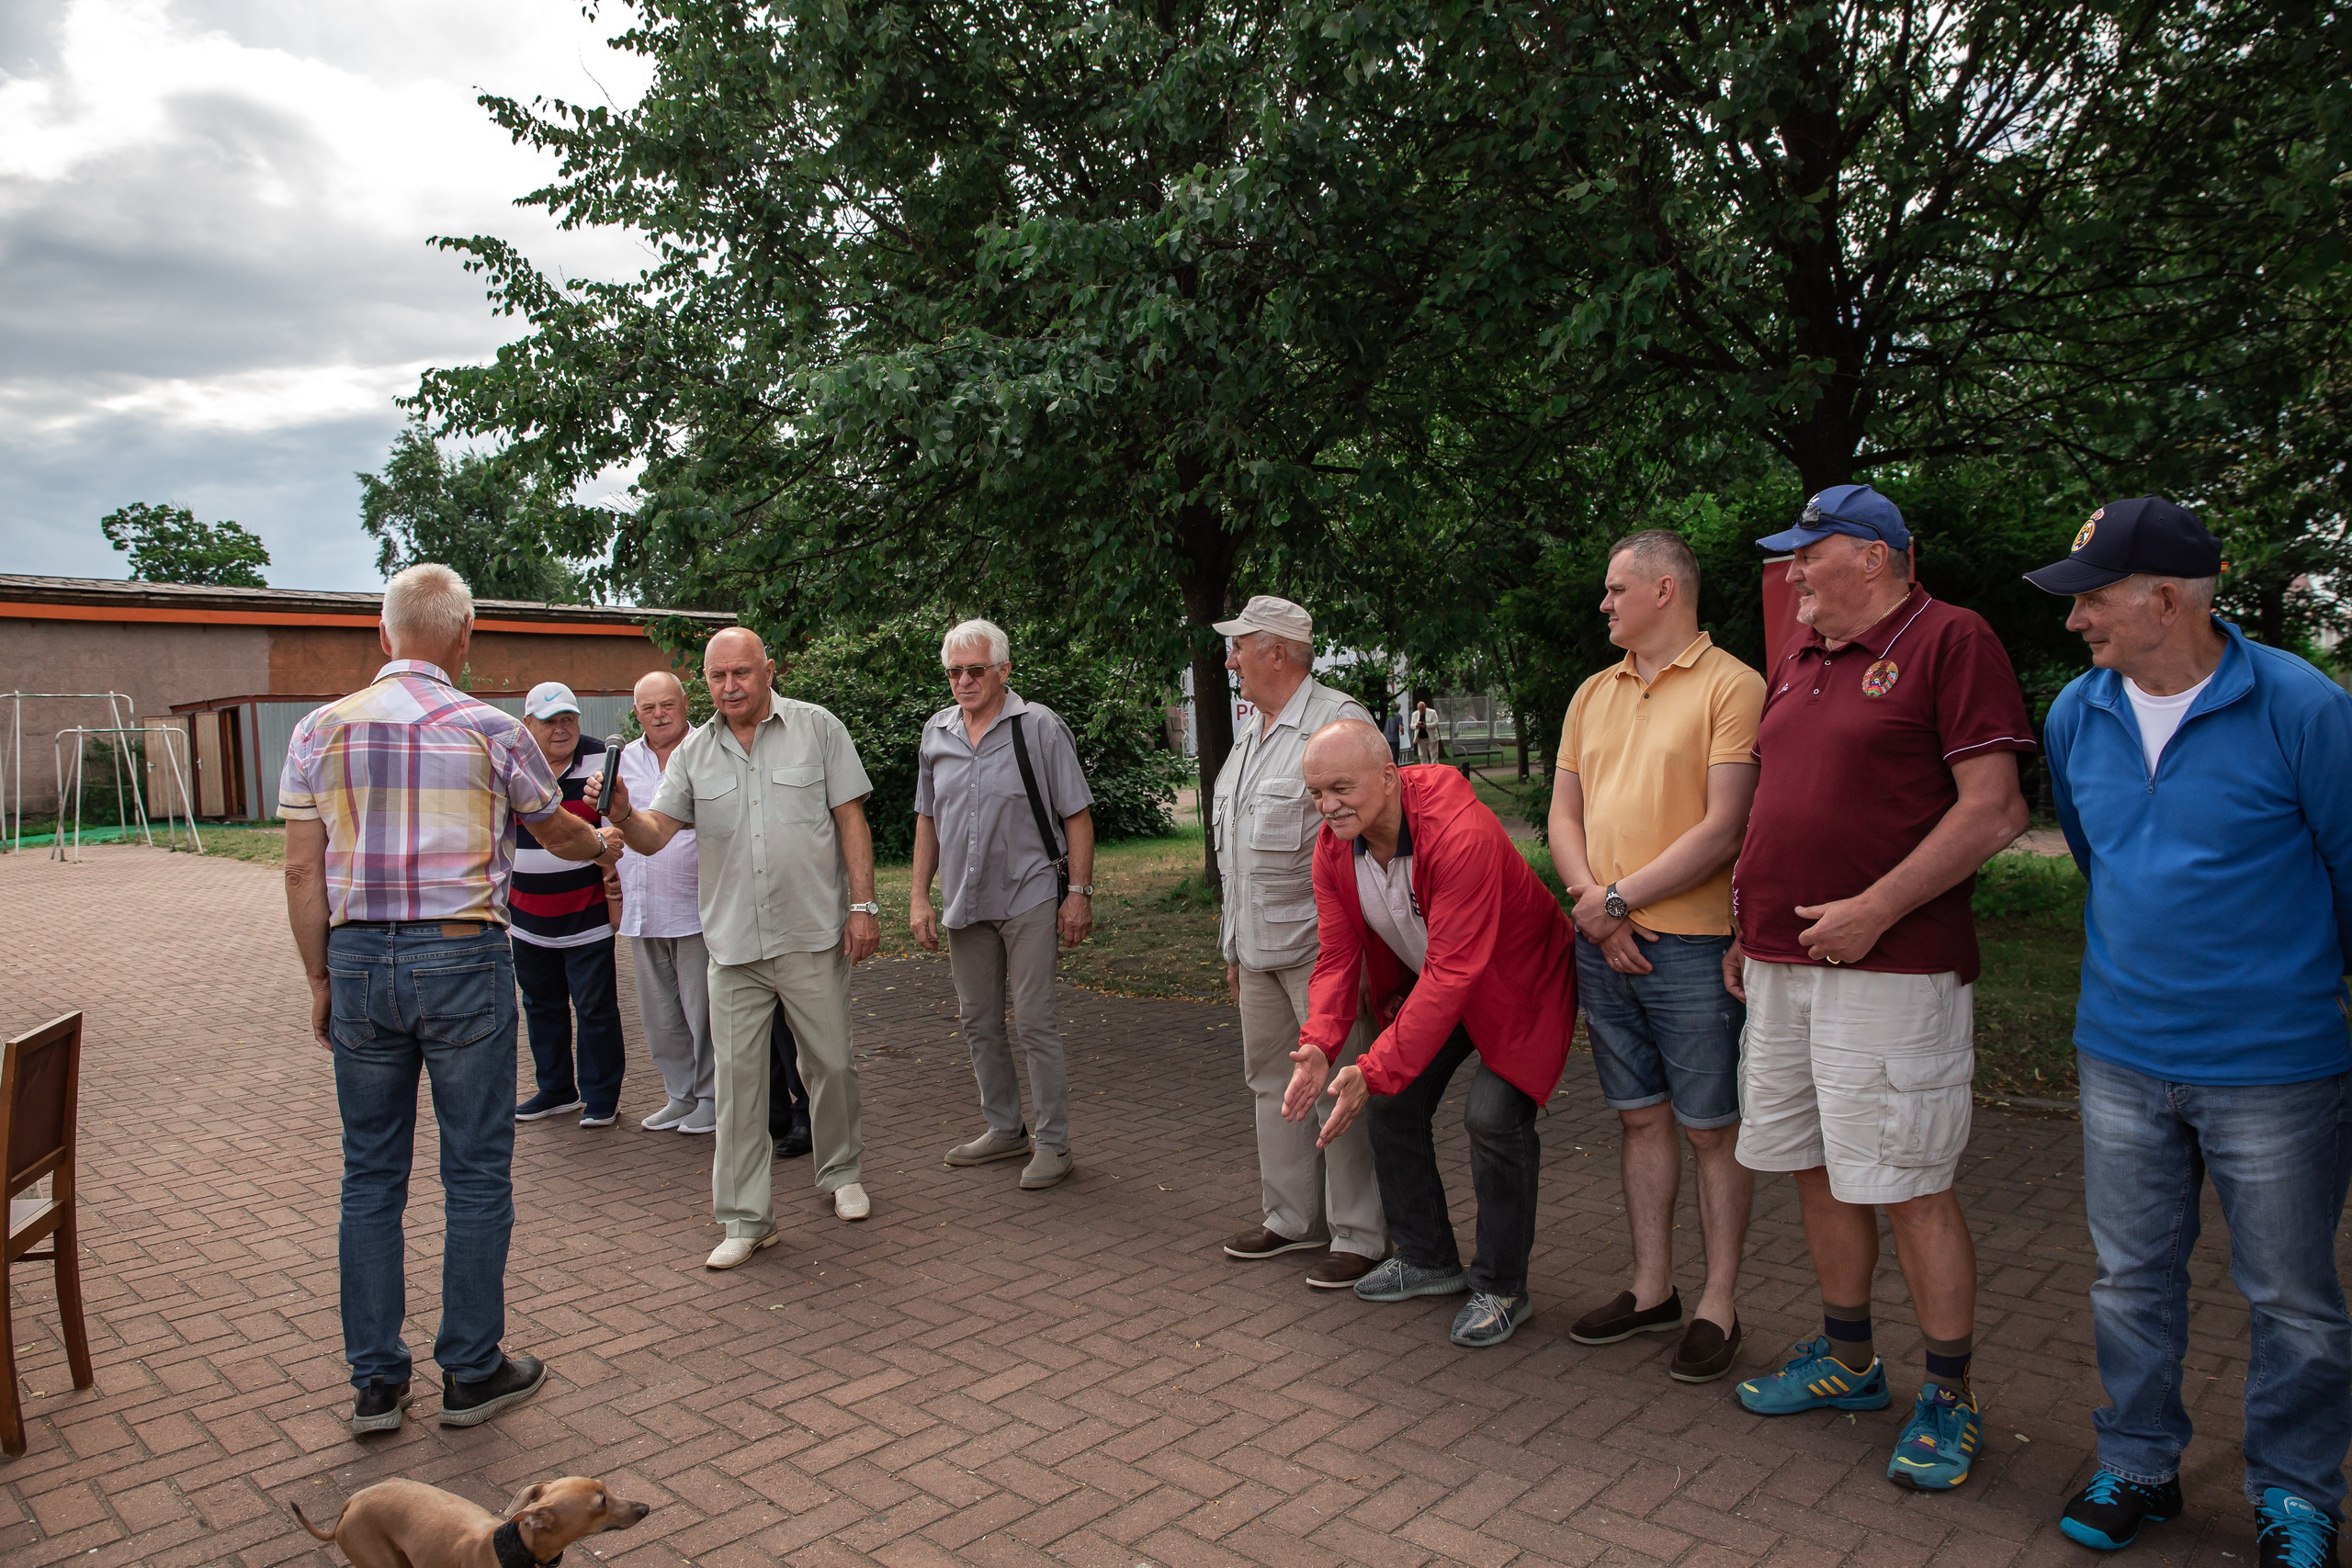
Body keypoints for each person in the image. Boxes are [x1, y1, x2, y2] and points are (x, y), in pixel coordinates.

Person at [2028, 498, 2352, 1562]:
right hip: (2119, 1054)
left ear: (2162, 600)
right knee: (2128, 1279)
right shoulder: (2077, 712)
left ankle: (2296, 1493)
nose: (2075, 620)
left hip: (2274, 1068)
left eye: (2090, 600)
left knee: (2292, 1298)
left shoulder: (2303, 710)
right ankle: (2137, 1464)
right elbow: (2099, 858)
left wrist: (2286, 987)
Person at [1725, 485, 2033, 1492]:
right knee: (1814, 1166)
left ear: (1870, 555)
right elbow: (1778, 801)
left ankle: (1948, 1392)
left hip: (1891, 968)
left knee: (1910, 1182)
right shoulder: (1799, 656)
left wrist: (1875, 908)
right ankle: (1849, 1359)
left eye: (1807, 554)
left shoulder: (1951, 638)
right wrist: (1746, 922)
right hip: (1782, 962)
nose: (1792, 572)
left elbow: (1994, 810)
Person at [280, 563, 610, 1436]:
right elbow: (555, 829)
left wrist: (319, 977)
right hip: (463, 954)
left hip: (358, 958)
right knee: (475, 1168)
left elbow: (303, 870)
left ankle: (375, 1384)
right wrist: (603, 843)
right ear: (465, 636)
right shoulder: (492, 729)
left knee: (369, 1174)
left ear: (383, 633)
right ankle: (470, 1368)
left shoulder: (319, 728)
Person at [1283, 719, 1577, 1346]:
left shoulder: (1459, 833)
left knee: (1492, 1117)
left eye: (1341, 788)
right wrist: (1319, 1042)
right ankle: (1427, 1257)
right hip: (1443, 975)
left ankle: (1502, 1286)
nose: (1328, 807)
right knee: (1392, 1101)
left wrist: (1373, 1066)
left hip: (1517, 982)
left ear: (1389, 778)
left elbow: (1453, 975)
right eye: (1316, 793)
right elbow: (1337, 956)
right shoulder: (1334, 846)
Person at [1549, 527, 1762, 1384]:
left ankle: (1719, 1301)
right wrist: (1597, 910)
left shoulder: (1733, 685)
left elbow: (1724, 826)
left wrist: (1614, 902)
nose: (1603, 602)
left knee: (1712, 1128)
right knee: (1639, 1116)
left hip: (1692, 946)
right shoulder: (1591, 692)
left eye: (1615, 588)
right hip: (1604, 940)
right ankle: (1651, 1288)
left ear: (1665, 589)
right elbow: (1564, 814)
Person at [601, 627, 882, 1269]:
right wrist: (622, 813)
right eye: (717, 676)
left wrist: (863, 906)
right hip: (731, 946)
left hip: (810, 933)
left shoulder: (818, 728)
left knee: (831, 1065)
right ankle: (746, 1219)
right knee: (737, 1087)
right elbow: (655, 833)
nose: (729, 687)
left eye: (741, 673)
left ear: (768, 670)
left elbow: (850, 819)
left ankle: (842, 1173)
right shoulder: (694, 752)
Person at [1208, 596, 1387, 1290]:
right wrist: (1232, 948)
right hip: (1257, 950)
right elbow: (1237, 856)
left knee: (1337, 1088)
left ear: (1277, 653)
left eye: (1240, 648)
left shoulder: (1338, 724)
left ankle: (1360, 1234)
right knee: (1270, 1085)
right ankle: (1290, 1219)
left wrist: (1365, 957)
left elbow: (1371, 843)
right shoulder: (1251, 730)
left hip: (1324, 955)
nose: (1231, 661)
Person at [910, 618, 1097, 1191]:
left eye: (975, 670)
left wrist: (1079, 894)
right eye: (954, 672)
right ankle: (1004, 1128)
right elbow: (927, 819)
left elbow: (1077, 815)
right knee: (978, 1020)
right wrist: (918, 896)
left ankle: (1054, 1143)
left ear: (1004, 671)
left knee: (1035, 1019)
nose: (963, 681)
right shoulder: (937, 732)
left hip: (1029, 891)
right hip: (964, 899)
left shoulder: (1038, 726)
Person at [511, 682, 628, 1128]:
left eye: (568, 719)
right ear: (528, 725)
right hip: (526, 915)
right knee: (541, 1005)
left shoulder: (603, 759)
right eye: (549, 722)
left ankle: (601, 1097)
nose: (561, 729)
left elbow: (619, 831)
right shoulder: (514, 763)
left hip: (586, 912)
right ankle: (556, 1089)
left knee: (595, 1008)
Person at [616, 671, 716, 1136]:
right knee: (660, 1016)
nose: (659, 715)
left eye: (667, 705)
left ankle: (712, 1099)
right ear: (636, 713)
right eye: (649, 707)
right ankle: (680, 1095)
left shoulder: (708, 750)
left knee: (704, 1014)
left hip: (696, 907)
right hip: (643, 906)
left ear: (685, 704)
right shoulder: (621, 761)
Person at [1411, 700, 1440, 765]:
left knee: (1433, 755)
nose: (1421, 711)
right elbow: (1411, 726)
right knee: (1422, 755)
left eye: (1422, 709)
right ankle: (1424, 768)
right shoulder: (1414, 714)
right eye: (1420, 710)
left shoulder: (1432, 712)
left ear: (1425, 707)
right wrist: (1416, 725)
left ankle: (1434, 768)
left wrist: (1426, 725)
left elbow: (1436, 723)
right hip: (1420, 738)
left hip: (1431, 737)